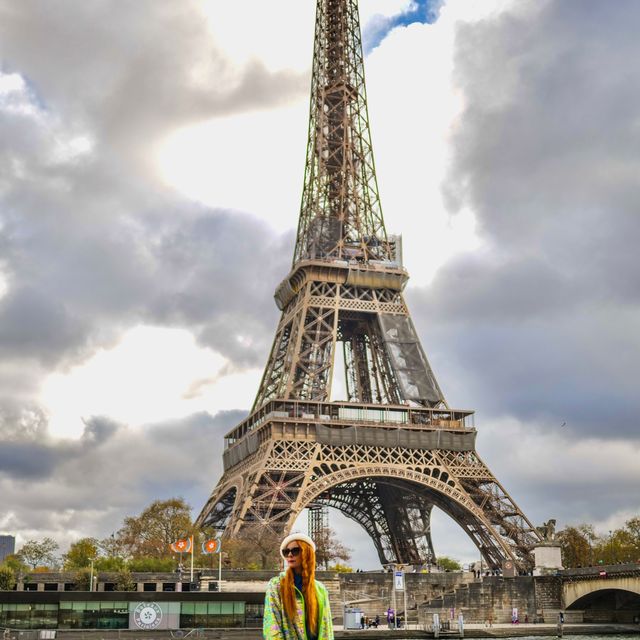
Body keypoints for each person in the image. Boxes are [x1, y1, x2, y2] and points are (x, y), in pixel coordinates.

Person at [263, 533, 334, 639]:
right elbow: (272, 627)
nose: (290, 555)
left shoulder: (320, 589)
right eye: (286, 552)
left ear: (307, 553)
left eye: (295, 550)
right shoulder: (276, 585)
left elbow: (326, 628)